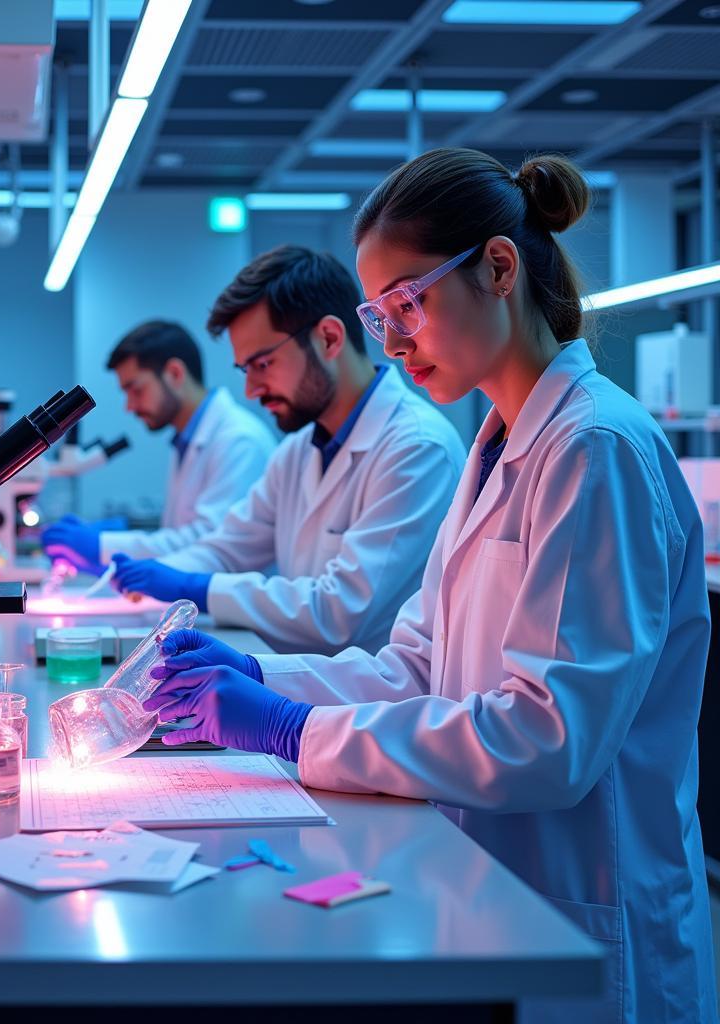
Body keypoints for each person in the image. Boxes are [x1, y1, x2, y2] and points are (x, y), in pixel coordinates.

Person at [144, 150, 718, 1023]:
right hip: (492, 883)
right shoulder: (498, 443)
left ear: (498, 268)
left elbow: (549, 737)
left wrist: (295, 731)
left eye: (409, 303)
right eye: (381, 315)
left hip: (589, 907)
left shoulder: (595, 447)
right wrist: (265, 682)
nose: (396, 339)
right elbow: (418, 663)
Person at [111, 245, 465, 655]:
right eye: (246, 370)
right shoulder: (297, 451)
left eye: (262, 364)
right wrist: (160, 574)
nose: (251, 389)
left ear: (329, 338)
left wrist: (198, 588)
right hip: (310, 694)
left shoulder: (417, 448)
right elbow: (230, 547)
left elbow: (338, 611)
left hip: (375, 709)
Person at [42, 320, 274, 571]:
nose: (129, 406)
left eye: (135, 389)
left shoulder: (239, 441)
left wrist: (104, 545)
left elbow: (211, 546)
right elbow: (180, 535)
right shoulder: (186, 441)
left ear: (175, 373)